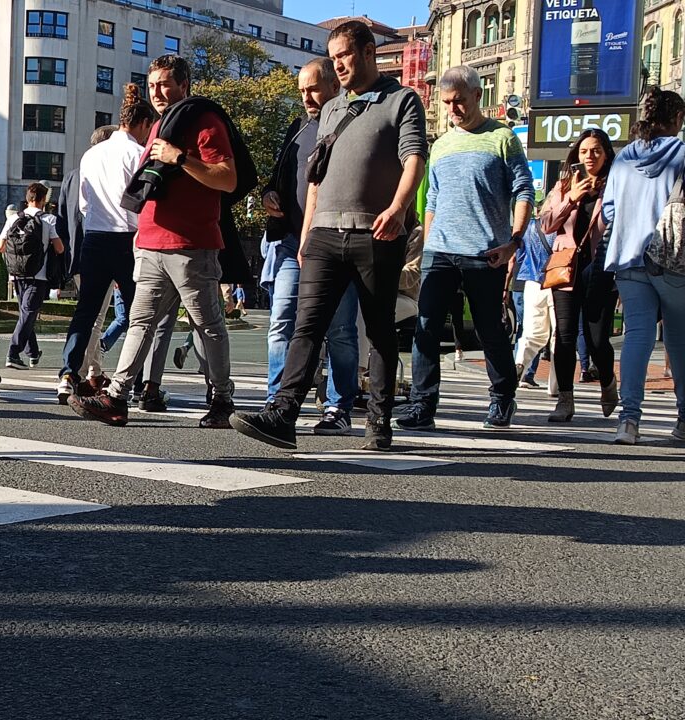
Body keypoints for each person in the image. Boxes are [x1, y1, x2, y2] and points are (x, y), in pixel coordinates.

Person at [231, 20, 427, 451]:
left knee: (377, 331)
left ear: (369, 53)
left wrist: (397, 208)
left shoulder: (402, 100)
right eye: (333, 57)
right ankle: (283, 414)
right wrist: (305, 233)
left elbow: (414, 158)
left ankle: (378, 420)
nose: (338, 65)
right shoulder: (332, 109)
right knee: (306, 326)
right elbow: (315, 178)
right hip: (322, 234)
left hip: (376, 232)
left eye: (345, 56)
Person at [70, 54, 255, 429]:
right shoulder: (159, 126)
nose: (156, 91)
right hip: (153, 241)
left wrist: (181, 157)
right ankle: (117, 396)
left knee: (208, 324)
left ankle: (222, 399)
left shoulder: (206, 121)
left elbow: (228, 179)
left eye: (164, 84)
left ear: (184, 85)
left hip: (192, 244)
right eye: (152, 84)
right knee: (140, 321)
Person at [393, 66, 533, 431]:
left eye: (459, 101)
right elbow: (433, 199)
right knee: (425, 327)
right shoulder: (440, 145)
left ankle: (503, 397)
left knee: (489, 329)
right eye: (447, 102)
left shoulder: (503, 138)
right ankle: (422, 404)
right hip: (439, 250)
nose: (453, 109)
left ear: (477, 96)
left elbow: (523, 190)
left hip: (486, 251)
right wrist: (428, 243)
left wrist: (514, 241)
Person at [258, 58, 360, 436]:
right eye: (301, 90)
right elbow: (279, 176)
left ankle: (338, 406)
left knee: (340, 330)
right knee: (281, 320)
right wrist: (270, 193)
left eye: (313, 88)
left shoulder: (350, 122)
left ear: (335, 86)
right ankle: (278, 401)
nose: (306, 98)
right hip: (289, 241)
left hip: (335, 242)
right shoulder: (297, 127)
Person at [56, 87, 156, 399]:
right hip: (127, 239)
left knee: (85, 312)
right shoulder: (136, 154)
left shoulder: (91, 154)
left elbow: (84, 203)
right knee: (140, 316)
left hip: (95, 236)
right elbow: (140, 200)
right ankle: (138, 382)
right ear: (141, 124)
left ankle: (68, 373)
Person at [600, 87, 685, 444]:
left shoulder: (623, 158)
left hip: (629, 257)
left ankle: (629, 422)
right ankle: (683, 421)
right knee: (679, 341)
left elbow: (609, 212)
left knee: (637, 337)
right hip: (672, 258)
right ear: (677, 119)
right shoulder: (682, 153)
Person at [536, 128, 619, 421]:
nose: (590, 157)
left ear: (606, 153)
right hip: (566, 267)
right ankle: (565, 400)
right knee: (565, 336)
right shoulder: (564, 185)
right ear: (576, 155)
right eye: (584, 151)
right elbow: (545, 223)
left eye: (596, 151)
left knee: (597, 340)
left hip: (600, 268)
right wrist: (570, 198)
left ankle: (608, 383)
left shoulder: (615, 186)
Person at [0, 182, 64, 369]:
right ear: (43, 200)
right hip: (39, 274)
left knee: (26, 313)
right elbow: (59, 248)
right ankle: (13, 353)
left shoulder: (13, 219)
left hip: (16, 274)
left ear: (27, 198)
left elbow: (0, 247)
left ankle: (33, 352)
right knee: (28, 313)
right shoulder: (48, 220)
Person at [511, 220, 552, 390]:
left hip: (530, 278)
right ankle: (556, 387)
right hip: (557, 278)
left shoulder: (530, 227)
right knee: (559, 336)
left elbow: (518, 256)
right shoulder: (564, 223)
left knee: (530, 331)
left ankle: (519, 362)